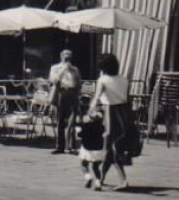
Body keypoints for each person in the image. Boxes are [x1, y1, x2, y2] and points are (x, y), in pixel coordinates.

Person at [88, 53, 135, 190]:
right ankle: (102, 179)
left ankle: (122, 180)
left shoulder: (102, 80)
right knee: (113, 148)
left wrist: (90, 111)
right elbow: (128, 99)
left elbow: (97, 98)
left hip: (110, 112)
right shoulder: (125, 79)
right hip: (124, 113)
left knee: (109, 148)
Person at [46, 49, 84, 155]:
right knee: (60, 121)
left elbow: (79, 83)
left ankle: (71, 146)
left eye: (69, 56)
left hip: (72, 94)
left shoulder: (75, 69)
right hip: (61, 93)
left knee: (71, 121)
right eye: (65, 56)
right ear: (61, 56)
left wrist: (79, 95)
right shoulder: (55, 68)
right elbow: (53, 81)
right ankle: (60, 146)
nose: (67, 58)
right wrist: (63, 70)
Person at [78, 112, 107, 191]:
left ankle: (88, 177)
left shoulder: (86, 126)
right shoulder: (102, 127)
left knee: (83, 164)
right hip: (99, 150)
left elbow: (79, 135)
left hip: (87, 149)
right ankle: (98, 183)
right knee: (96, 167)